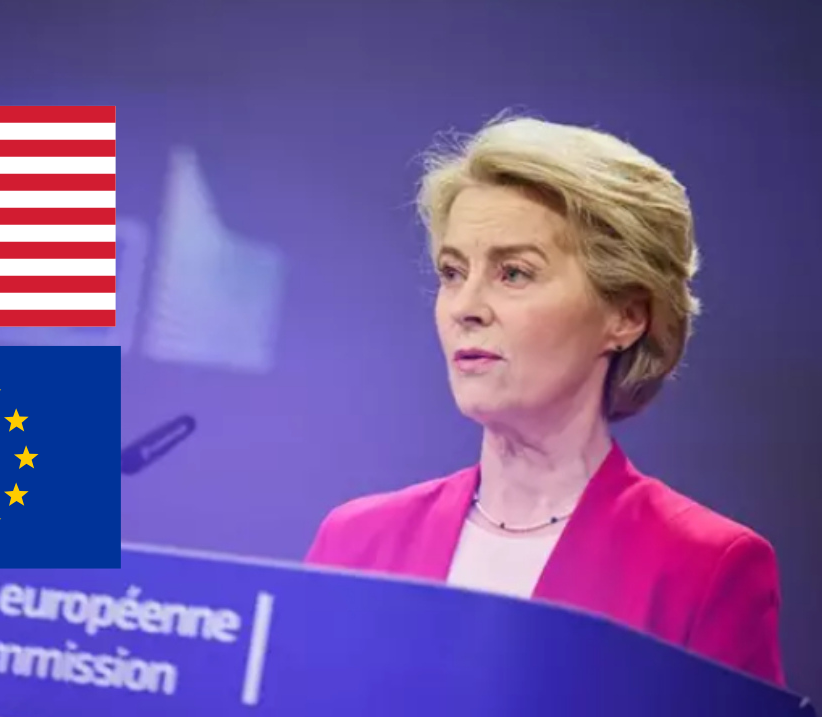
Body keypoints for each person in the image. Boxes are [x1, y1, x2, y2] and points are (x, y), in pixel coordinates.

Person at [304, 112, 785, 687]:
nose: (465, 307)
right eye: (452, 272)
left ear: (626, 315)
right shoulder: (356, 542)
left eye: (513, 274)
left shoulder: (704, 568)